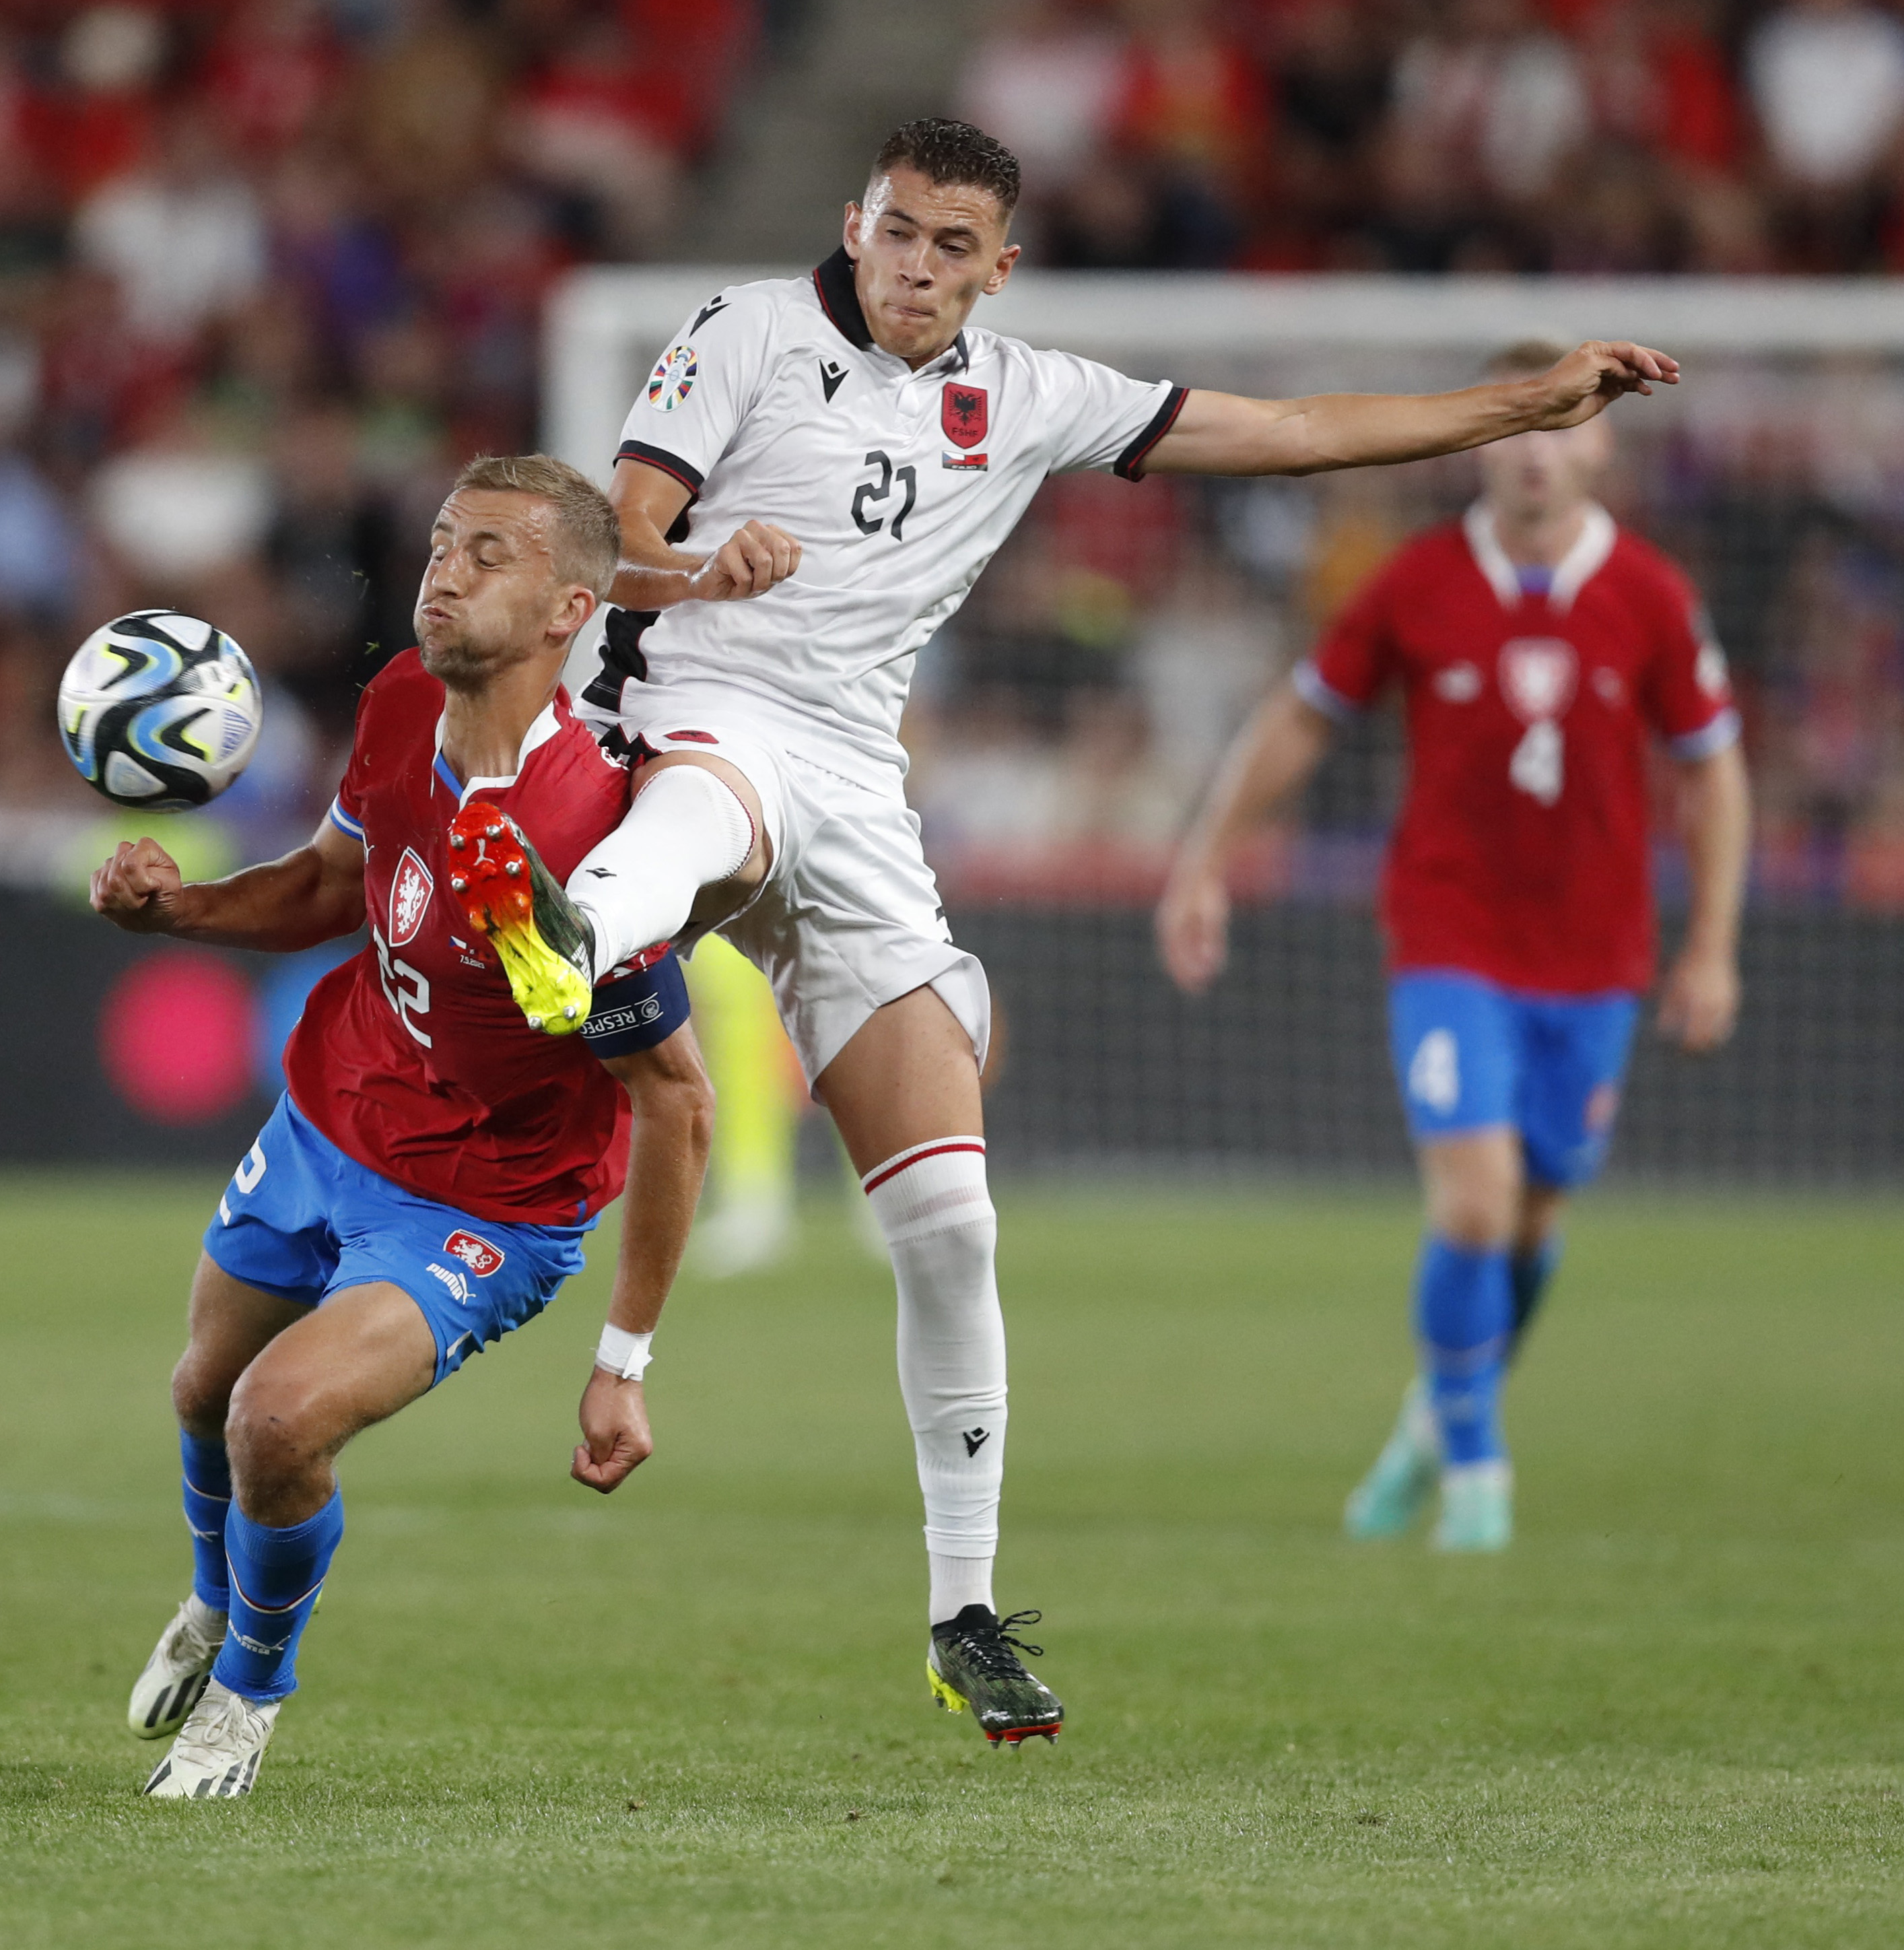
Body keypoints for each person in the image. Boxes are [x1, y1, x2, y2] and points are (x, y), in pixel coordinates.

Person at [472, 117, 1680, 1741]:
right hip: (697, 706)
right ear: (856, 220)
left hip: (862, 789)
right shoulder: (749, 333)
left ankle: (963, 1609)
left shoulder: (1030, 397)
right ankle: (576, 926)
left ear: (999, 265)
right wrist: (697, 567)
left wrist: (1520, 403)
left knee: (956, 1226)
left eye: (951, 246)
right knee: (717, 798)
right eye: (895, 232)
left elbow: (1304, 429)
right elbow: (613, 533)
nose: (914, 267)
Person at [90, 454, 716, 1800]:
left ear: (568, 610)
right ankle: (212, 1599)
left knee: (276, 1418)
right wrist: (177, 909)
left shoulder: (592, 837)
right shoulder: (394, 701)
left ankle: (250, 1687)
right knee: (203, 1391)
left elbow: (677, 1097)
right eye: (442, 542)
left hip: (487, 1203)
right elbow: (330, 882)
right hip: (330, 1111)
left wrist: (626, 1357)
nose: (445, 570)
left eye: (492, 553)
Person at [1157, 341, 1750, 1551]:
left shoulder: (1648, 595)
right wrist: (1205, 859)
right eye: (1519, 428)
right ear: (1484, 439)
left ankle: (1430, 1421)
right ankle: (1477, 1471)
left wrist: (1715, 945)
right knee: (1474, 1208)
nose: (1538, 454)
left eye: (1564, 428)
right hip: (1448, 937)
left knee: (1531, 1226)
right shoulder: (1415, 586)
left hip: (1595, 957)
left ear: (1600, 444)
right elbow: (1296, 721)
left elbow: (1714, 772)